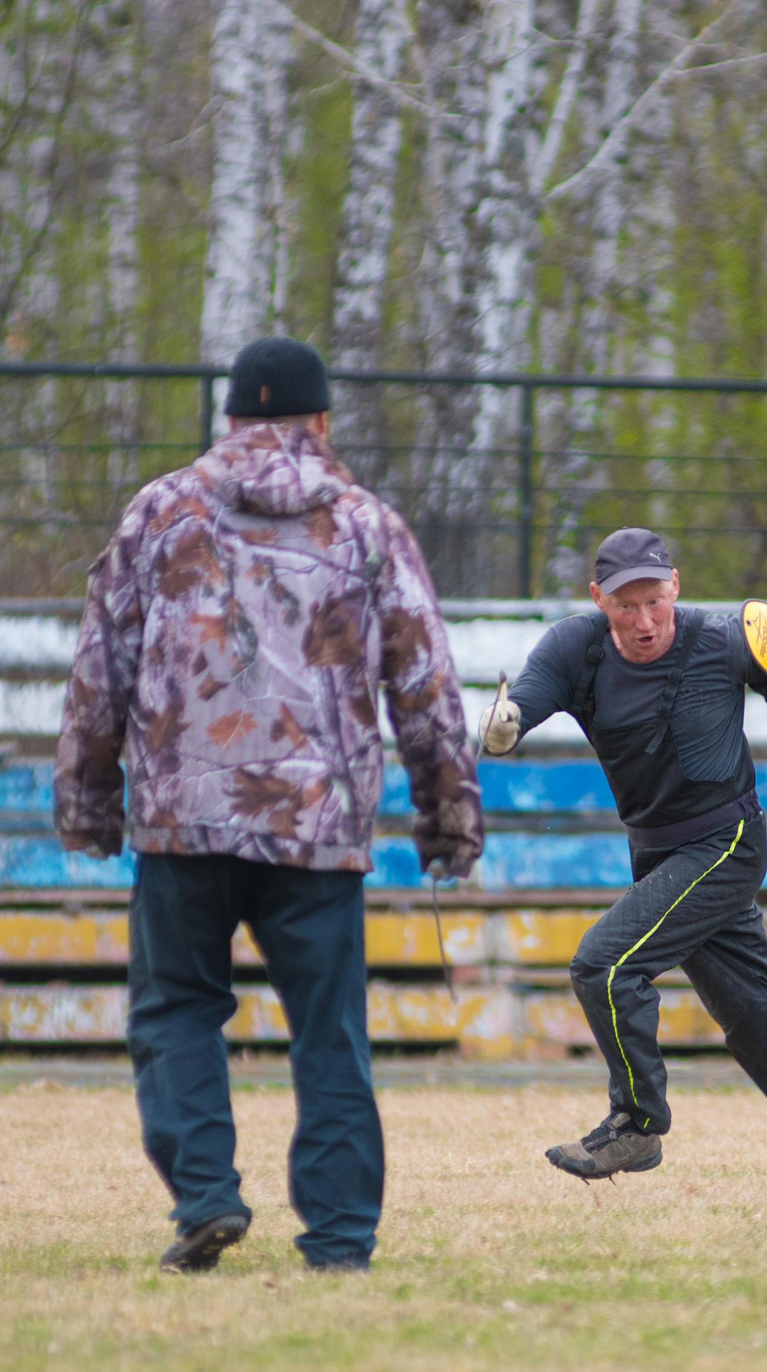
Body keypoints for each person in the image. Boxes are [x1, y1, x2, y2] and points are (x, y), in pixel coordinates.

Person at [55, 336, 484, 1274]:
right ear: (322, 421)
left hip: (183, 817)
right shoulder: (369, 526)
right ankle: (338, 1239)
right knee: (329, 1036)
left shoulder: (161, 512)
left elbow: (101, 668)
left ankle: (207, 1196)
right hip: (316, 826)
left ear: (231, 422)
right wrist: (448, 818)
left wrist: (89, 802)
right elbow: (426, 683)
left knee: (175, 1010)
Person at [481, 527, 767, 1197]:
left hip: (725, 846)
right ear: (598, 598)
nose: (643, 620)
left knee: (604, 964)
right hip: (657, 851)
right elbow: (526, 698)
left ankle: (637, 1122)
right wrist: (505, 720)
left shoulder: (727, 637)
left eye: (655, 600)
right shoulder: (576, 648)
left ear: (677, 586)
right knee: (755, 1017)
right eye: (625, 605)